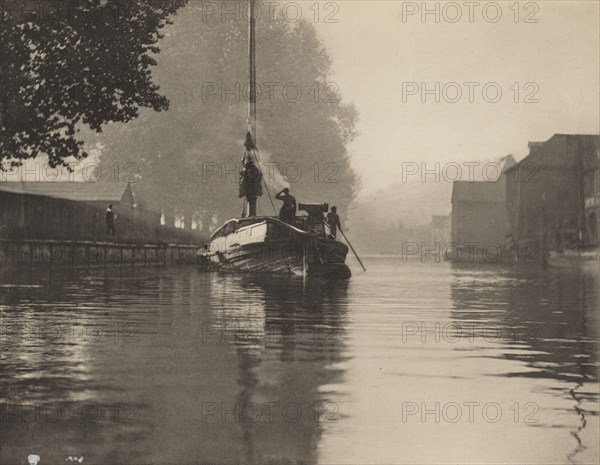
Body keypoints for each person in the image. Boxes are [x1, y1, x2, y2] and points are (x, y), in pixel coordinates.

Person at [238, 132, 263, 217]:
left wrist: (247, 168)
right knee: (249, 194)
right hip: (249, 175)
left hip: (252, 175)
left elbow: (253, 161)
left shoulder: (253, 151)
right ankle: (249, 212)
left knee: (252, 194)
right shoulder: (246, 152)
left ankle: (251, 213)